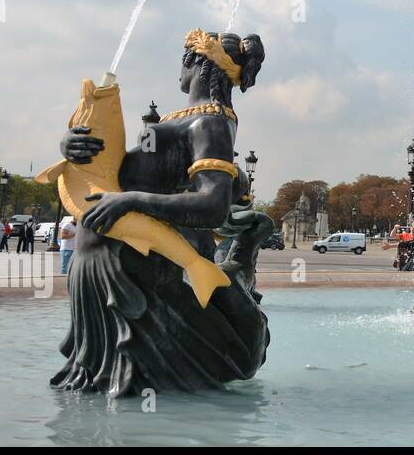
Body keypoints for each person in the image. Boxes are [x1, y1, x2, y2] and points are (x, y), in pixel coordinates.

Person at [51, 29, 272, 395]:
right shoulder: (186, 119)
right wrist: (71, 145)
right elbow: (116, 168)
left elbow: (213, 206)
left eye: (182, 63)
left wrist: (130, 201)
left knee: (135, 389)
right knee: (109, 389)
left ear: (194, 63)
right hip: (108, 260)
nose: (178, 73)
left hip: (137, 266)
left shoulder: (212, 123)